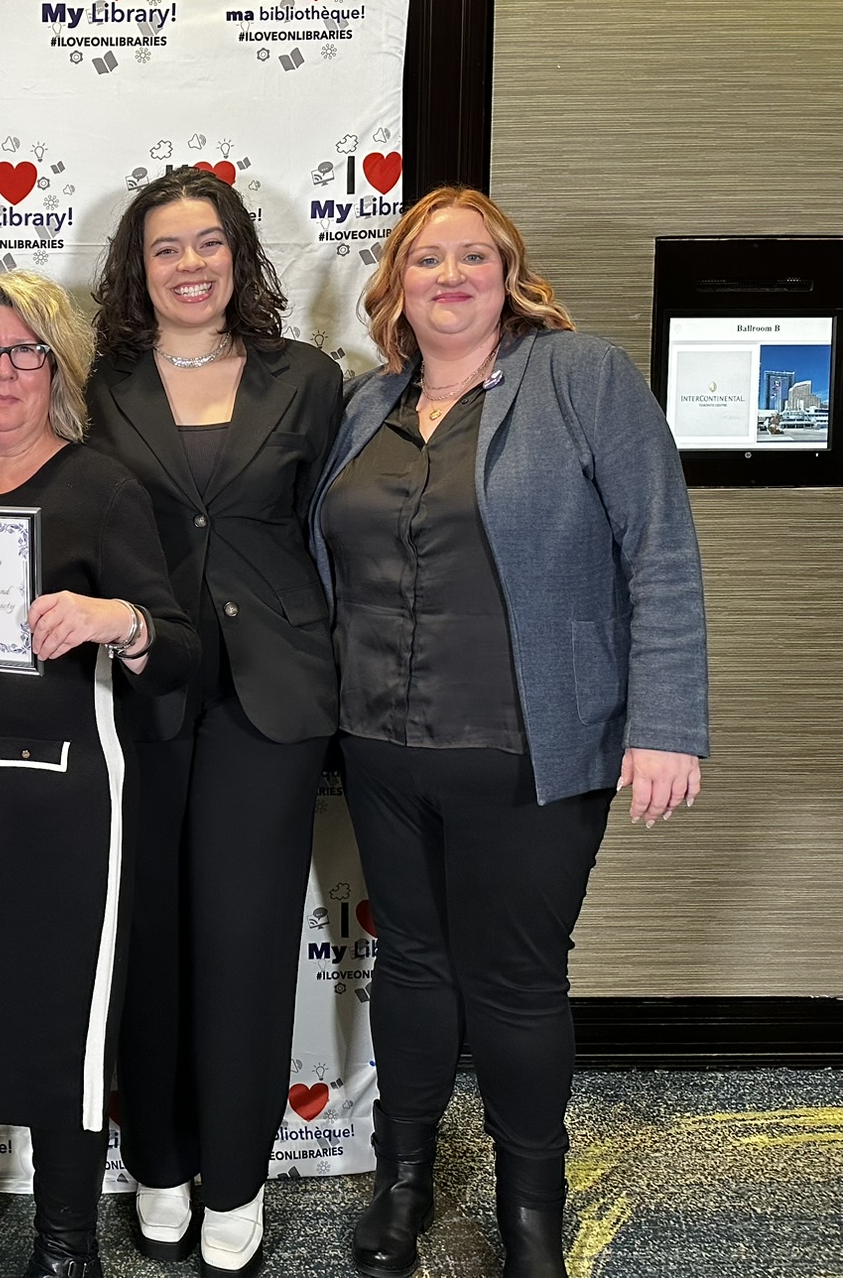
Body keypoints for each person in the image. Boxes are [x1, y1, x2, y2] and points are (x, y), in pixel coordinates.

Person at [311, 189, 707, 1278]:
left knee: (516, 982)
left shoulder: (580, 377)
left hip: (529, 745)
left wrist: (666, 723)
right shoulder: (366, 403)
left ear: (508, 275)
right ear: (395, 286)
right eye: (426, 259)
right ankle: (403, 1182)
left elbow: (660, 550)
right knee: (411, 965)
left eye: (472, 256)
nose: (449, 275)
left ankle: (531, 1210)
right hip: (380, 743)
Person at [0, 271, 198, 1278]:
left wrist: (117, 619)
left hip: (64, 798)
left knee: (66, 1009)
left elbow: (179, 649)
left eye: (26, 352)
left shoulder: (102, 488)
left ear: (57, 369)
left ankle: (66, 1238)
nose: (4, 371)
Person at [85, 167, 344, 1274]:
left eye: (207, 243)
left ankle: (235, 1176)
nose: (188, 265)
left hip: (269, 696)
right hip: (140, 687)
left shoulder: (308, 377)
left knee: (244, 942)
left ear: (237, 254)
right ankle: (159, 1162)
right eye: (165, 247)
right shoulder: (98, 382)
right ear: (136, 269)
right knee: (146, 936)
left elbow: (331, 525)